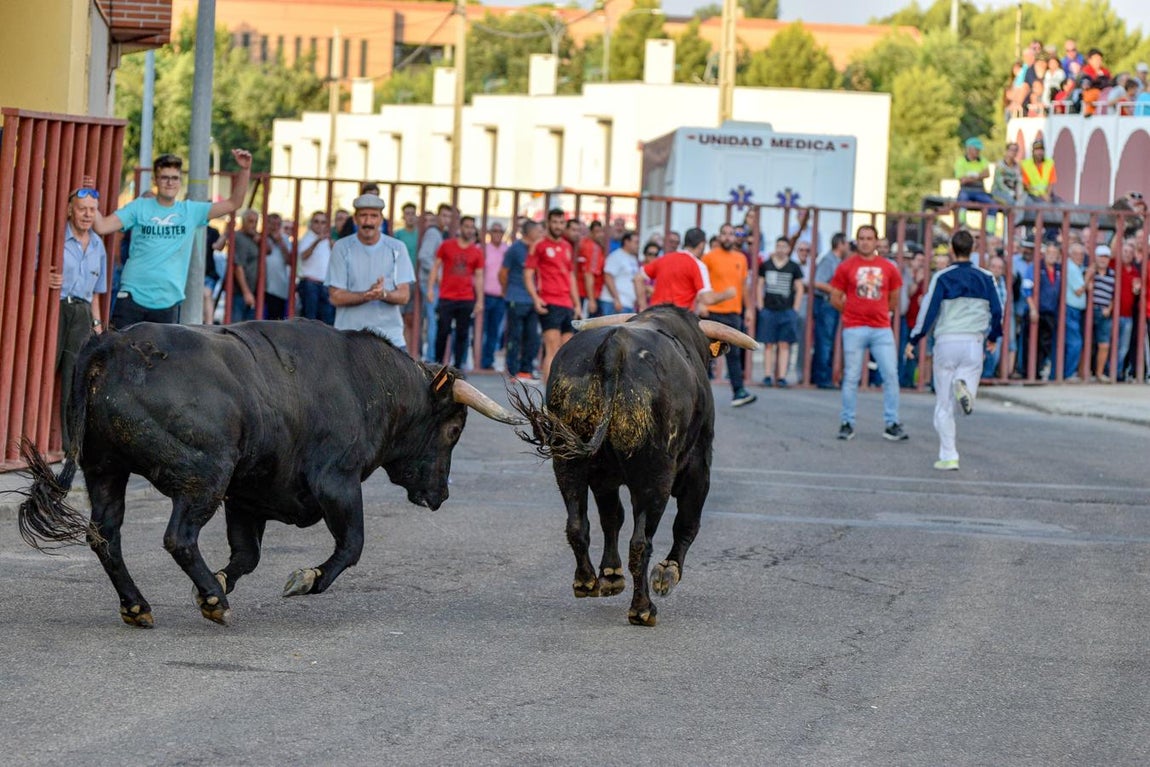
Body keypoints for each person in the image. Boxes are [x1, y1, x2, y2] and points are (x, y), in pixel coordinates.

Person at [94, 149, 252, 327]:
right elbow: (102, 226)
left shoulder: (190, 211)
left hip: (168, 303)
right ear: (155, 180)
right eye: (164, 177)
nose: (170, 182)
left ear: (180, 181)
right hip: (132, 297)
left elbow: (234, 203)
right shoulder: (139, 207)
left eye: (175, 178)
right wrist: (90, 197)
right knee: (121, 354)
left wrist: (245, 170)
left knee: (163, 356)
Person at [907, 230, 1002, 471]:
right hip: (973, 340)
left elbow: (928, 311)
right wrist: (993, 336)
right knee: (968, 379)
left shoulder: (942, 277)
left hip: (947, 340)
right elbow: (998, 310)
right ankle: (965, 387)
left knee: (943, 403)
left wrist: (914, 338)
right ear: (972, 248)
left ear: (951, 248)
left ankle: (949, 455)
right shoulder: (986, 277)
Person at [830, 225, 907, 442]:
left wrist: (882, 312)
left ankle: (892, 422)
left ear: (876, 241)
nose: (865, 242)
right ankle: (847, 422)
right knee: (852, 376)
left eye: (869, 238)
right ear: (857, 241)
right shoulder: (847, 267)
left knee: (890, 374)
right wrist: (852, 312)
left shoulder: (888, 267)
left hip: (881, 328)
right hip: (854, 328)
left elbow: (894, 296)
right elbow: (835, 297)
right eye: (861, 238)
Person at [48, 187, 108, 450]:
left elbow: (96, 293)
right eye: (82, 208)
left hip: (82, 313)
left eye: (92, 210)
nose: (87, 214)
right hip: (55, 309)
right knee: (45, 370)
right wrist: (46, 280)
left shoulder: (98, 245)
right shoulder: (54, 239)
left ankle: (69, 446)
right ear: (70, 209)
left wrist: (97, 326)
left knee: (74, 378)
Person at [327, 194, 415, 350]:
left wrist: (383, 294)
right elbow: (335, 297)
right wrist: (366, 295)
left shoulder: (397, 248)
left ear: (381, 219)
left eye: (374, 216)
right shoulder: (341, 247)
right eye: (363, 216)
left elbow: (404, 296)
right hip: (349, 337)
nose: (368, 222)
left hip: (389, 338)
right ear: (355, 219)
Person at [703, 223, 757, 407]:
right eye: (724, 234)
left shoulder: (741, 258)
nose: (727, 237)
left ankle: (739, 391)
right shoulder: (709, 257)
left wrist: (748, 309)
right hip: (712, 312)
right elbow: (702, 285)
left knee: (734, 355)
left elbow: (744, 286)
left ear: (735, 237)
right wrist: (702, 304)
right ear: (719, 236)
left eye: (731, 234)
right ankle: (700, 395)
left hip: (734, 313)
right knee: (705, 354)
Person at [525, 208, 581, 383]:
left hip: (566, 304)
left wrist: (577, 303)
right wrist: (536, 298)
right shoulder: (539, 245)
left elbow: (570, 276)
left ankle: (560, 392)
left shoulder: (566, 246)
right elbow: (528, 274)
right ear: (548, 223)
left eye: (561, 222)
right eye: (555, 222)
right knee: (552, 348)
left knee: (567, 350)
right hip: (549, 301)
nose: (558, 226)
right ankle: (547, 395)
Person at [428, 214, 484, 368]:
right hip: (447, 296)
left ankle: (458, 367)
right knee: (442, 332)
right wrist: (430, 289)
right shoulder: (446, 245)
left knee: (462, 334)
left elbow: (479, 277)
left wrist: (479, 300)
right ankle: (437, 366)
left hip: (466, 298)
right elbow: (435, 267)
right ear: (460, 228)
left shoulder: (477, 252)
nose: (469, 230)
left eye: (472, 227)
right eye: (466, 226)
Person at [635, 227, 734, 312]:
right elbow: (707, 298)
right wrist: (726, 294)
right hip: (679, 318)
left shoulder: (665, 258)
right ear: (701, 245)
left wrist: (643, 307)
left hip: (654, 313)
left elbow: (638, 278)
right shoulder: (697, 265)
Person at [756, 236, 805, 388]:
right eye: (778, 246)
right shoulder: (766, 265)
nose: (781, 249)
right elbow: (759, 285)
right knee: (768, 344)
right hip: (769, 310)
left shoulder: (794, 266)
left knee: (784, 344)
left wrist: (795, 309)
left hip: (786, 310)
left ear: (789, 249)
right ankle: (767, 375)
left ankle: (782, 376)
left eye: (784, 246)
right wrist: (760, 305)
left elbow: (799, 288)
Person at [500, 219, 543, 380]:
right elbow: (503, 273)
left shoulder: (538, 249)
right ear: (529, 232)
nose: (541, 234)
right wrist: (507, 291)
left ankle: (526, 370)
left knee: (532, 337)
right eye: (538, 231)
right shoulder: (515, 249)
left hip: (533, 300)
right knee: (514, 336)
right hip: (516, 298)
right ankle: (512, 370)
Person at [418, 203, 454, 361]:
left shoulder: (440, 234)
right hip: (431, 283)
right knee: (433, 322)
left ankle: (432, 356)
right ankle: (431, 358)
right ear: (438, 216)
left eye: (449, 217)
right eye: (444, 216)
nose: (446, 220)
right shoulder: (433, 233)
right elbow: (424, 256)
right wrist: (438, 275)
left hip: (434, 283)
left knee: (434, 322)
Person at [812, 232, 848, 389]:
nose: (847, 247)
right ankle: (822, 378)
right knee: (825, 341)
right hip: (826, 304)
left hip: (831, 305)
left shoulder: (838, 260)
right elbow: (818, 282)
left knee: (828, 341)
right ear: (839, 244)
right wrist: (836, 291)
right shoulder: (828, 260)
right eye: (845, 243)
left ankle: (821, 375)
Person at [478, 221, 508, 371]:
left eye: (500, 231)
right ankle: (477, 360)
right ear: (489, 233)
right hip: (484, 295)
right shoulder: (483, 249)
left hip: (500, 297)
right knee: (479, 330)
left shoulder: (506, 250)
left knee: (494, 331)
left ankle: (487, 362)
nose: (497, 233)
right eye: (494, 231)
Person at [297, 210, 335, 324]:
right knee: (310, 321)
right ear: (311, 223)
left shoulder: (327, 240)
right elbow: (303, 256)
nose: (319, 225)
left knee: (326, 321)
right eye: (316, 221)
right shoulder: (307, 237)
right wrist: (317, 241)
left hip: (324, 285)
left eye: (323, 222)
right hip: (310, 284)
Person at [394, 202, 421, 353]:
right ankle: (401, 352)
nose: (410, 217)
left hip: (415, 281)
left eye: (413, 213)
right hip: (400, 280)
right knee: (400, 318)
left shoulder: (420, 234)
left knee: (412, 319)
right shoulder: (398, 234)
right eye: (407, 213)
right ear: (403, 216)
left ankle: (412, 352)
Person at [955, 137, 996, 230]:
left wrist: (971, 177)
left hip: (979, 191)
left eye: (979, 149)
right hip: (966, 190)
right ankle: (961, 225)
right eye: (976, 149)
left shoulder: (983, 160)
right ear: (969, 149)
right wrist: (978, 176)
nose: (978, 152)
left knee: (992, 205)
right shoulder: (961, 161)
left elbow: (987, 173)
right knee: (962, 201)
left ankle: (989, 230)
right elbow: (962, 180)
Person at [1089, 244, 1115, 381]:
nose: (1103, 259)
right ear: (1096, 257)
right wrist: (1090, 273)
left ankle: (1099, 374)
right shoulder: (1090, 271)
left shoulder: (1113, 274)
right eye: (1101, 256)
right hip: (1090, 310)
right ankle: (1084, 373)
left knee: (1104, 344)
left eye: (1106, 256)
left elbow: (1114, 295)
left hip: (1105, 311)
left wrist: (1109, 309)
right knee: (1086, 342)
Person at [230, 209, 260, 322]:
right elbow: (238, 267)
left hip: (250, 291)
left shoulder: (253, 238)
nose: (254, 225)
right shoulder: (239, 238)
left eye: (256, 222)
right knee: (237, 329)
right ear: (243, 222)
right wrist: (246, 292)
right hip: (240, 293)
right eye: (250, 221)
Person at [600, 230, 641, 314]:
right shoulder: (616, 256)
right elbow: (608, 277)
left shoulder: (633, 258)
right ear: (627, 242)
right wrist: (616, 299)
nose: (638, 246)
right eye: (636, 242)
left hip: (628, 304)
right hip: (614, 304)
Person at [1063, 242, 1087, 379]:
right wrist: (1089, 276)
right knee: (1075, 343)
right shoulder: (1071, 267)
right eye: (1076, 253)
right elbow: (1079, 291)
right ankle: (1068, 373)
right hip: (1070, 309)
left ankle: (1067, 372)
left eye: (1082, 254)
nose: (1080, 256)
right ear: (1070, 254)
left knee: (1073, 342)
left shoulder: (1075, 267)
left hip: (1074, 310)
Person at [263, 213, 293, 320]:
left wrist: (280, 243)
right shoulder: (261, 237)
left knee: (277, 320)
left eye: (278, 224)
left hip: (280, 288)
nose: (275, 227)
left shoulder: (284, 239)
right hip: (264, 286)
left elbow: (290, 261)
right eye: (272, 224)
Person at [577, 220, 607, 318]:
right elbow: (588, 274)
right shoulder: (592, 247)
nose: (600, 235)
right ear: (590, 233)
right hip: (587, 294)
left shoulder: (586, 243)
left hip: (583, 292)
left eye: (601, 231)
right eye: (597, 232)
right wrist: (591, 299)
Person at [1021, 139, 1058, 204]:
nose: (1039, 152)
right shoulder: (1025, 164)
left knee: (1061, 205)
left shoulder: (1050, 163)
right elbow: (1026, 185)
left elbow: (1051, 182)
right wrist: (1042, 195)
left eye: (1041, 149)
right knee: (1041, 207)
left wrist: (1047, 195)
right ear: (1033, 151)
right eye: (1037, 150)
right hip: (1032, 195)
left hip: (1047, 194)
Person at [991, 142, 1023, 210]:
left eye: (1015, 150)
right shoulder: (1000, 165)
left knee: (1022, 201)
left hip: (1013, 192)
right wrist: (1011, 193)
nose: (1013, 152)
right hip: (998, 191)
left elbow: (1019, 182)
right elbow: (1000, 183)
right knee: (1010, 201)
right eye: (1011, 150)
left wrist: (1019, 194)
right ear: (1007, 151)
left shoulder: (1017, 167)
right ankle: (1009, 220)